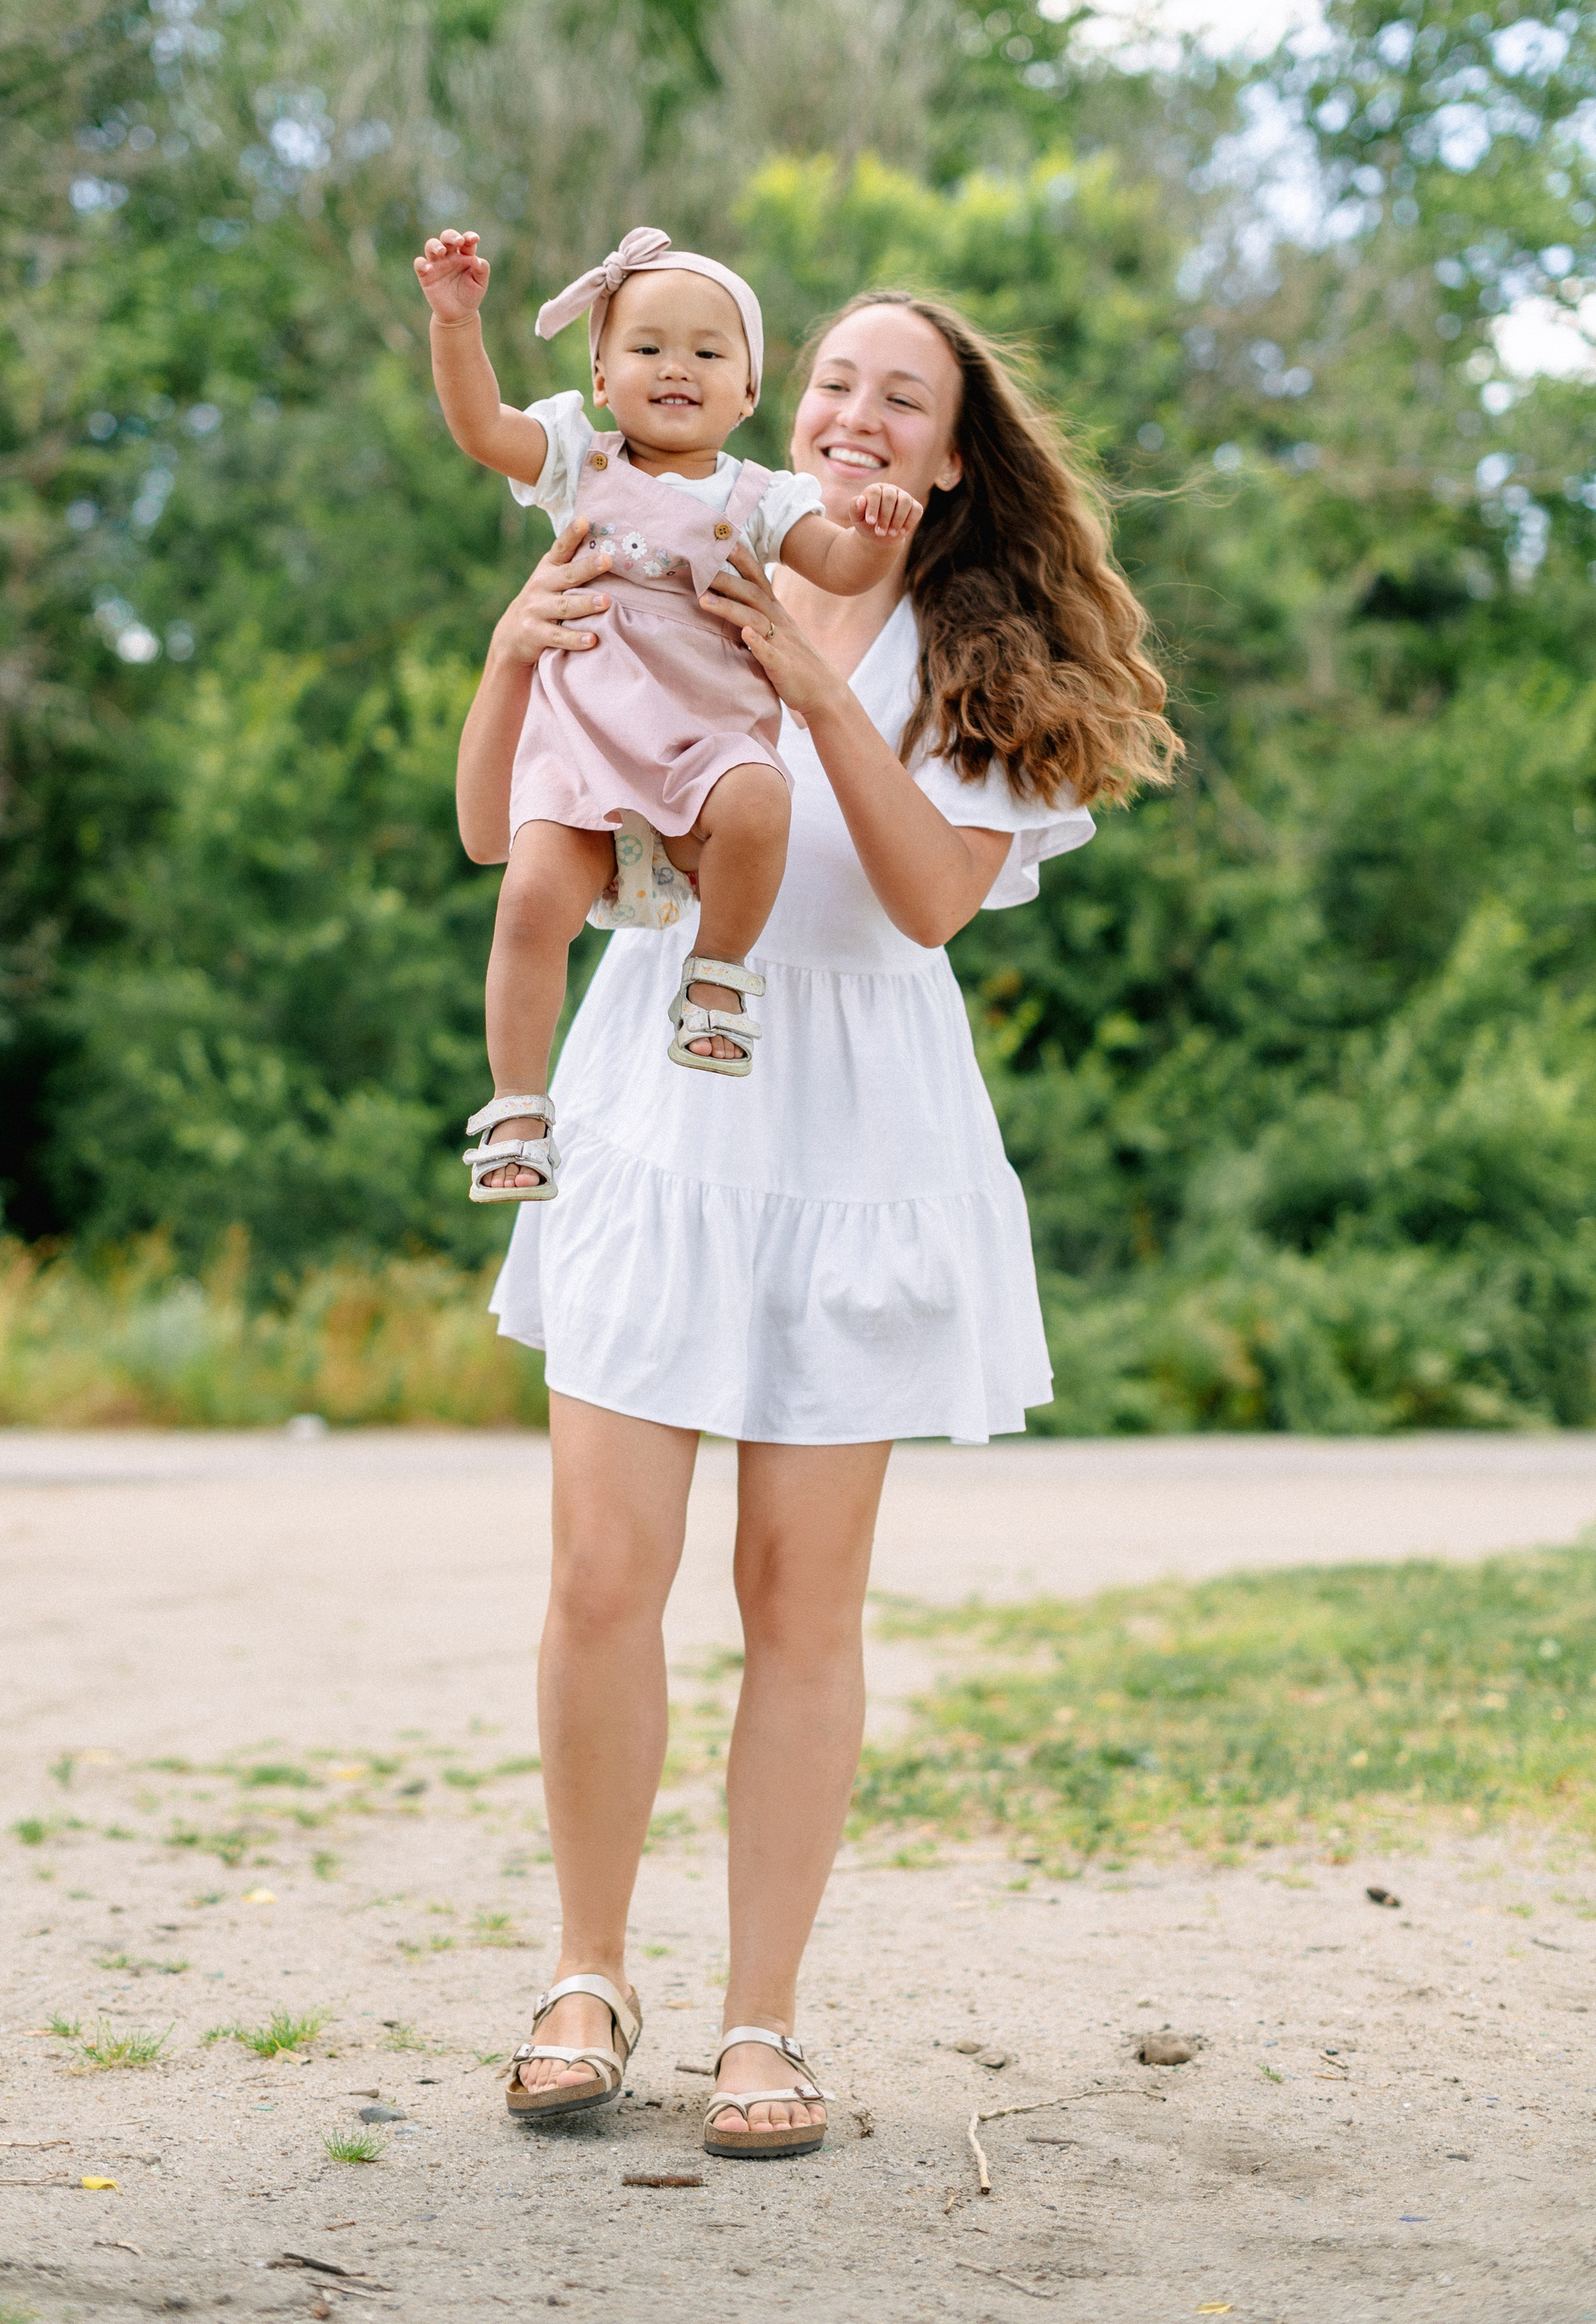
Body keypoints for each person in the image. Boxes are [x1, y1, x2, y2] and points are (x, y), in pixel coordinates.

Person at [454, 288, 1180, 2159]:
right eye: (839, 380)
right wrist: (513, 653)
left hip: (858, 1125)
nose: (859, 414)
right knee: (605, 1570)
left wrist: (802, 673)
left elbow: (933, 896)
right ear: (799, 412)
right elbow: (502, 831)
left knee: (800, 1596)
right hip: (657, 1101)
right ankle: (585, 1973)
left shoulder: (985, 660)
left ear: (948, 454)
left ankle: (760, 2020)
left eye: (901, 397)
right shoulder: (667, 536)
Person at [413, 223, 920, 1204]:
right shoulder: (577, 463)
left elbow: (839, 568)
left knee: (765, 798)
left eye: (706, 351)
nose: (675, 367)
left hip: (703, 749)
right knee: (526, 905)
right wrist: (455, 324)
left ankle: (716, 975)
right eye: (646, 348)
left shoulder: (764, 499)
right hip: (584, 753)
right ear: (601, 377)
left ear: (749, 391)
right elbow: (481, 428)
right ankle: (518, 1105)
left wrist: (879, 534)